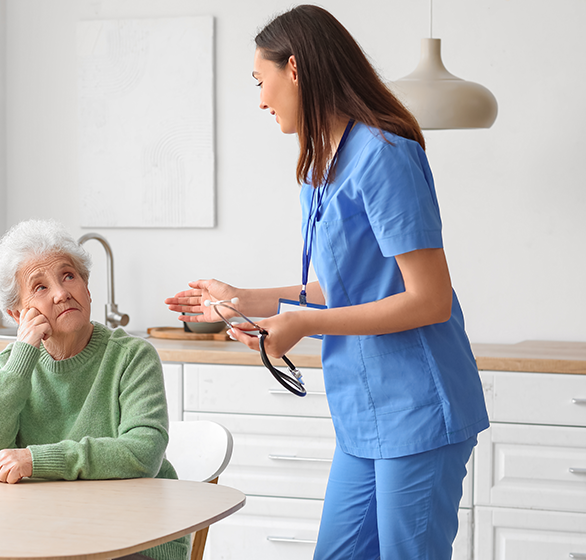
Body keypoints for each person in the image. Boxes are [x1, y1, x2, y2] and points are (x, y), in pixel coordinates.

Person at [165, 6, 489, 560]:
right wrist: (241, 299)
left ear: (294, 69)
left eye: (260, 80)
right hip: (362, 412)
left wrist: (299, 323)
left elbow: (430, 300)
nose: (260, 100)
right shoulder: (320, 168)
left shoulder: (385, 156)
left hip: (416, 409)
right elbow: (342, 287)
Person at [0, 219, 188, 560]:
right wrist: (22, 359)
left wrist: (35, 460)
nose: (62, 293)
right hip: (44, 535)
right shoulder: (11, 364)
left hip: (136, 539)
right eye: (40, 287)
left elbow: (143, 454)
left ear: (87, 288)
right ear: (17, 315)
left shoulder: (132, 356)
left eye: (68, 276)